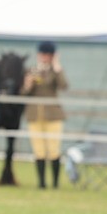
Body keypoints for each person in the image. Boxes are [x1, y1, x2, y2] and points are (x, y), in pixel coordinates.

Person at [22, 41, 68, 189]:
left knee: (54, 149)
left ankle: (55, 183)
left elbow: (63, 86)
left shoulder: (55, 71)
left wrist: (57, 66)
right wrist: (28, 84)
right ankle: (41, 183)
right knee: (39, 149)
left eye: (47, 55)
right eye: (42, 54)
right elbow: (24, 93)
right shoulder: (32, 70)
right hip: (35, 114)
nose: (44, 57)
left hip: (52, 114)